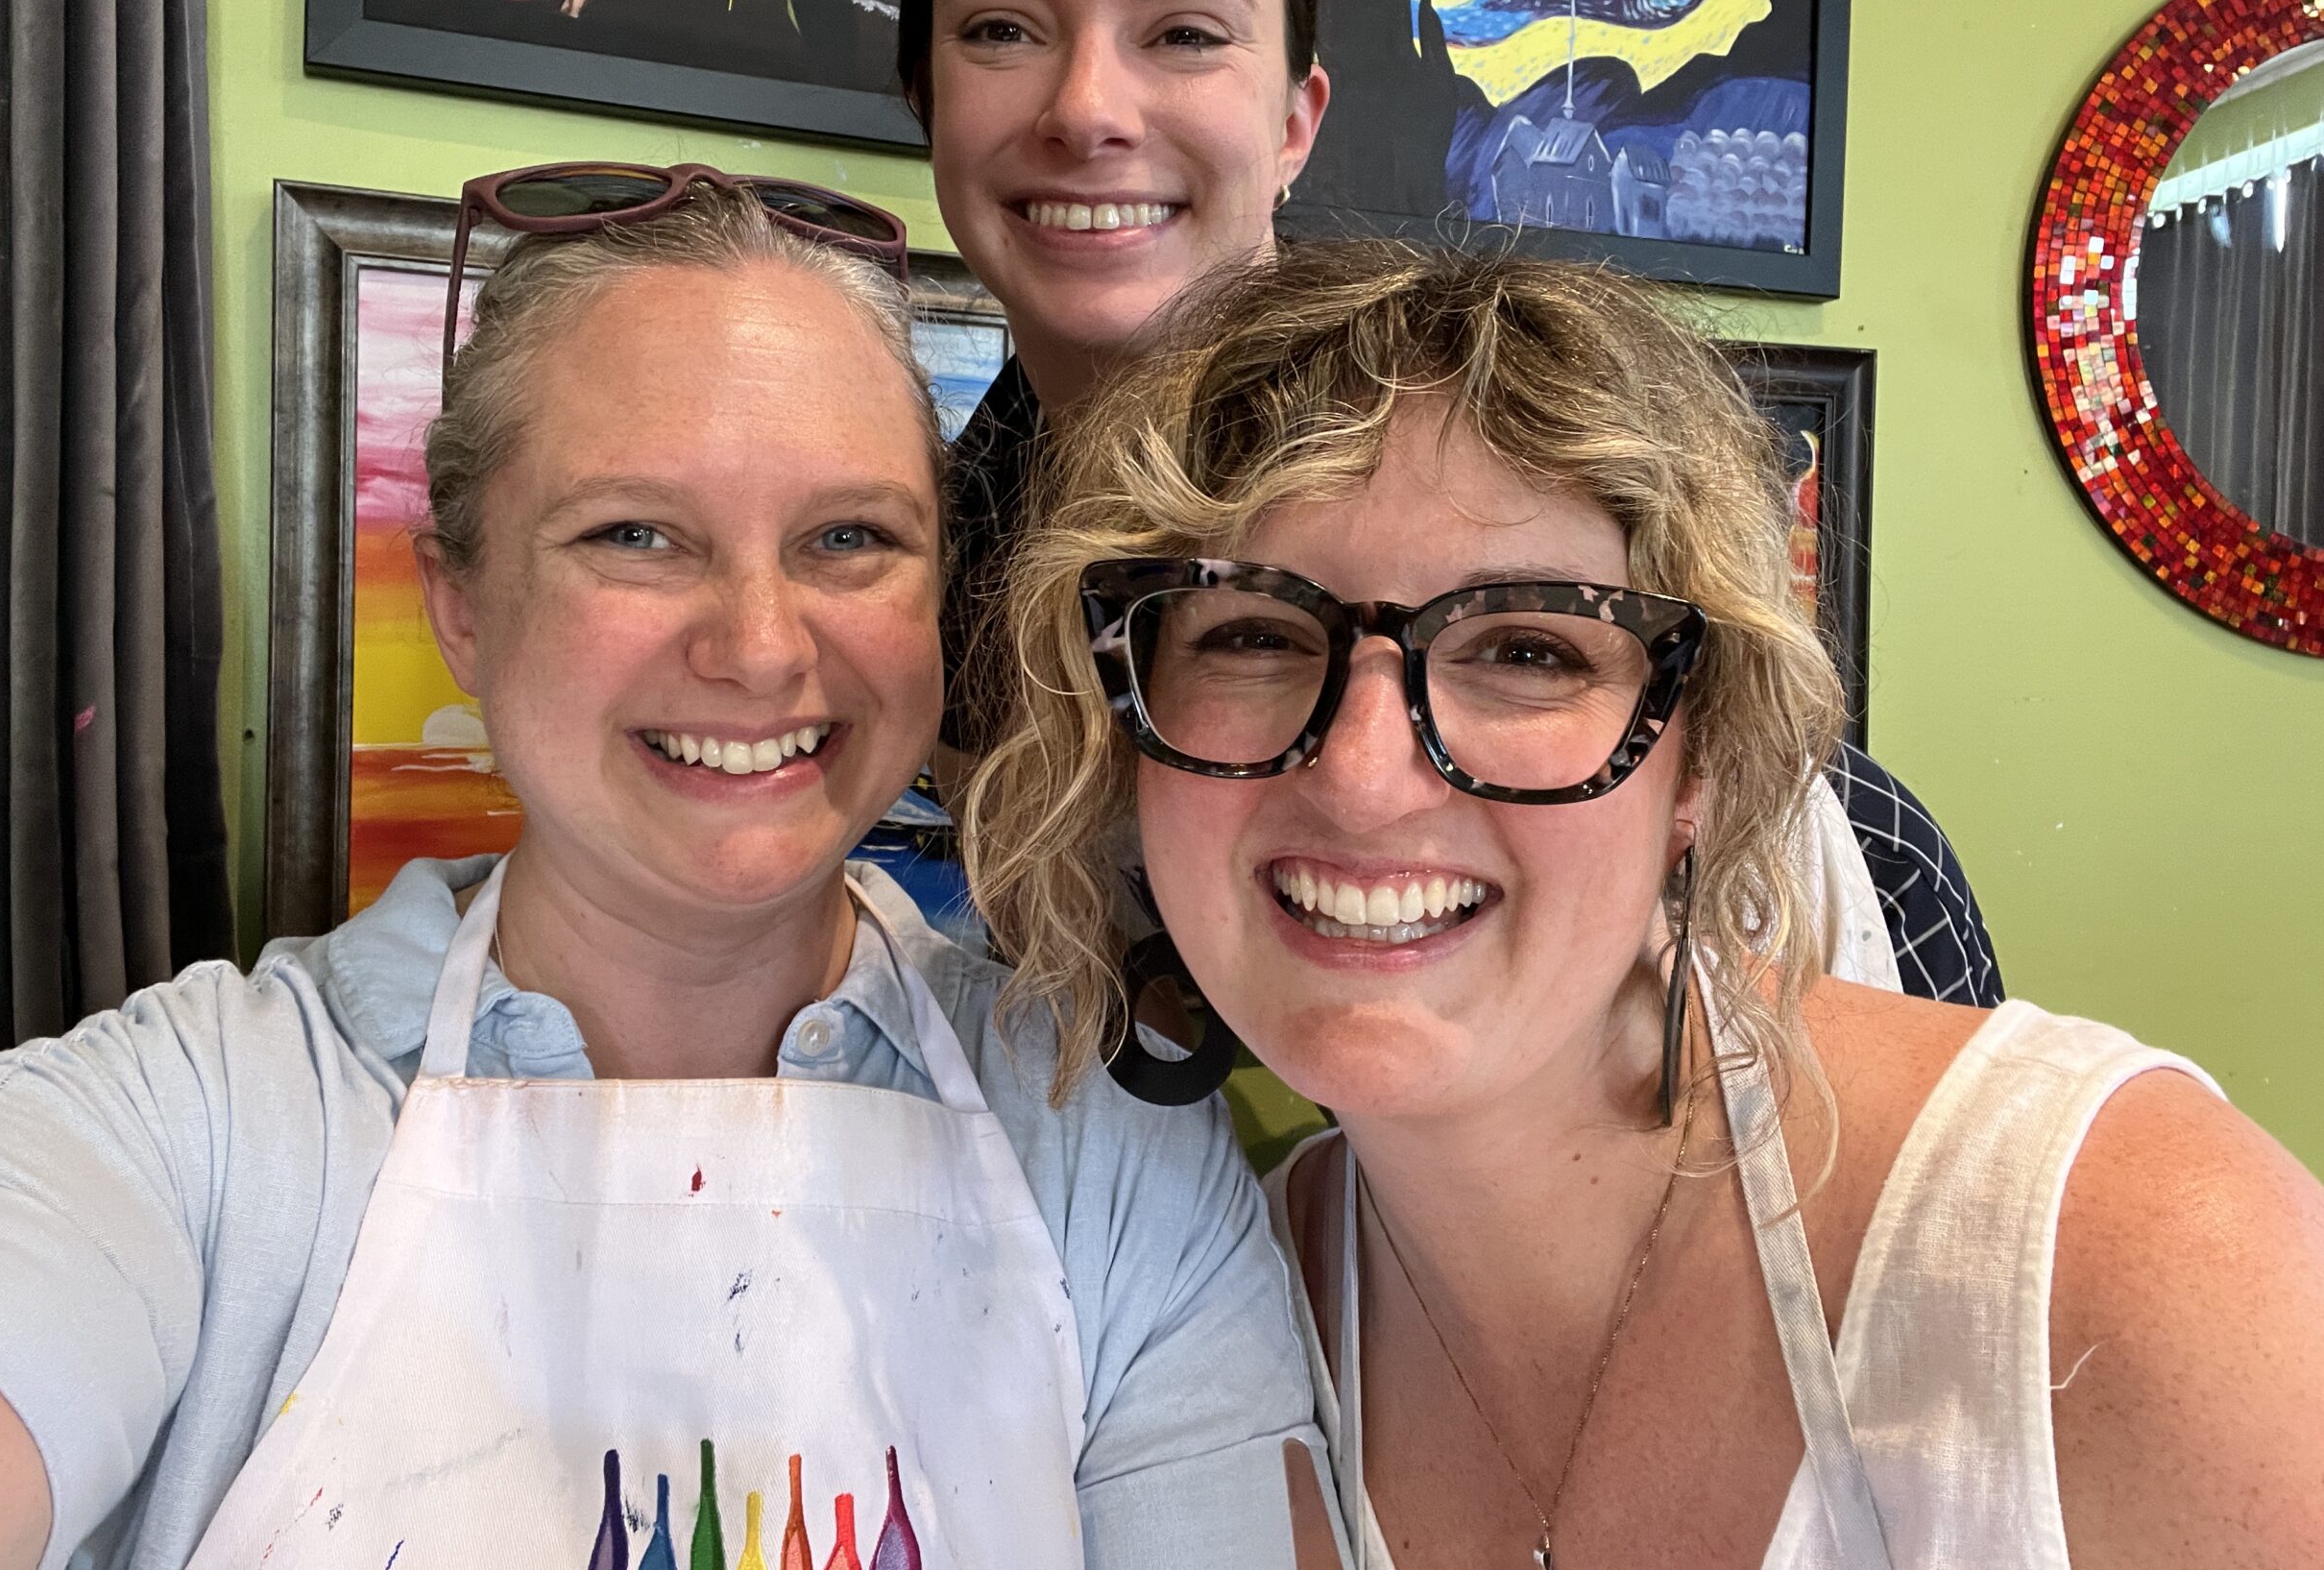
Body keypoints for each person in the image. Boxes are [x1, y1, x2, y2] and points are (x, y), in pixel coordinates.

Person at [0, 174, 1323, 1570]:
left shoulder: (1114, 1163)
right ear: (462, 605)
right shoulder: (180, 1141)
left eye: (849, 539)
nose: (759, 645)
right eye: (635, 535)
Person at [964, 240, 2324, 1567]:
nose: (1365, 778)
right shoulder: (1230, 1321)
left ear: (1704, 768)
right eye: (1254, 633)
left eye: (1526, 648)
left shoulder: (2130, 1265)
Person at [897, 0, 2001, 1005]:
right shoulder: (881, 624)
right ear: (927, 93)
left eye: (1187, 32)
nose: (1087, 106)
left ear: (1297, 119)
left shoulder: (1841, 851)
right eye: (1000, 26)